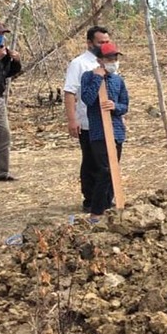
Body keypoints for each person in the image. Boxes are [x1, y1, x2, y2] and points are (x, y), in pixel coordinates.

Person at [63, 26, 111, 211]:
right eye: (101, 42)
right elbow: (70, 92)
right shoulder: (79, 64)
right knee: (91, 161)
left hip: (108, 120)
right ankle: (90, 199)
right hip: (88, 122)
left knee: (107, 162)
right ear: (89, 43)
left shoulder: (110, 61)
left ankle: (106, 198)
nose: (104, 45)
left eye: (107, 41)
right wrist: (72, 119)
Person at [80, 43, 129, 223]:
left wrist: (115, 106)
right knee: (105, 170)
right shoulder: (88, 76)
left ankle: (109, 206)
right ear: (99, 60)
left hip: (116, 132)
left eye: (115, 59)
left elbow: (125, 105)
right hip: (99, 133)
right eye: (109, 59)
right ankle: (97, 210)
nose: (113, 62)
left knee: (113, 171)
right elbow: (87, 98)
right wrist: (97, 79)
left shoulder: (118, 80)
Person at [0, 23, 22, 181]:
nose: (0, 36)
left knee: (4, 134)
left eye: (2, 33)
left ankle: (0, 173)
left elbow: (8, 73)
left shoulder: (2, 49)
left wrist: (15, 61)